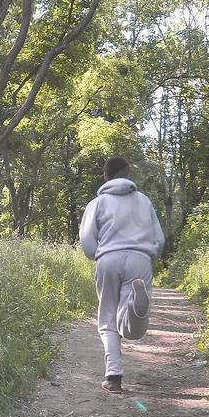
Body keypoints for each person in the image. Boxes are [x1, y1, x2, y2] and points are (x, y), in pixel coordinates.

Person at [78, 156, 165, 393]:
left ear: (105, 176)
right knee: (132, 328)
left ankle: (113, 376)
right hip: (140, 260)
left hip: (108, 259)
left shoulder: (97, 203)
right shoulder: (144, 201)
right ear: (127, 174)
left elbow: (86, 240)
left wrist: (98, 255)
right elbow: (159, 238)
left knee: (108, 318)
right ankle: (137, 307)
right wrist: (150, 253)